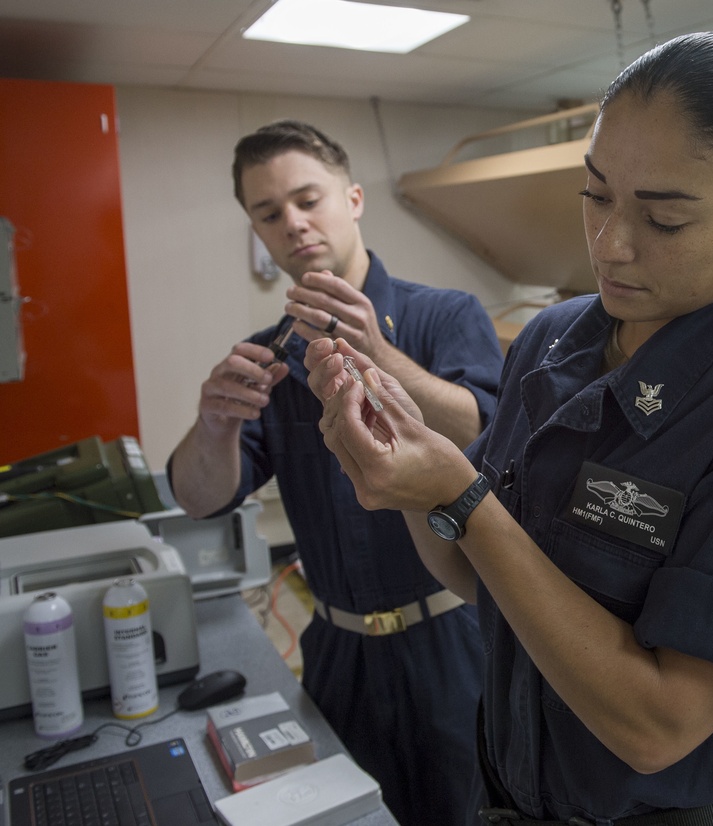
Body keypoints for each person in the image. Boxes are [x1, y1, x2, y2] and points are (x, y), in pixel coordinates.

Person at [304, 32, 713, 826]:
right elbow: (477, 576)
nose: (610, 245)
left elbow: (660, 725)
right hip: (508, 797)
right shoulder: (554, 342)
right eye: (595, 193)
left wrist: (461, 496)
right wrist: (410, 474)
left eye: (666, 219)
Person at [167, 120, 504, 826]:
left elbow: (485, 429)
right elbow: (201, 499)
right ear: (257, 232)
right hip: (337, 657)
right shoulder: (270, 358)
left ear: (352, 199)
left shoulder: (445, 316)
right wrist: (215, 422)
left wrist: (380, 357)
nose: (292, 223)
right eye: (269, 213)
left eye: (307, 199)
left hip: (451, 647)